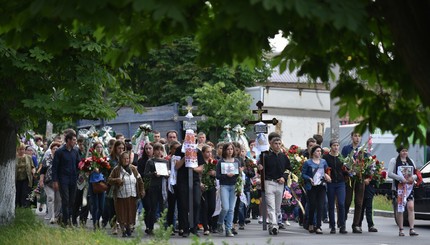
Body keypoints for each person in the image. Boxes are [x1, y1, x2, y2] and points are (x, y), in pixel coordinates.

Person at [257, 137, 291, 235]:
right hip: (269, 182)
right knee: (270, 206)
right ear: (271, 144)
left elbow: (288, 169)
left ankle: (272, 225)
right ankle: (274, 225)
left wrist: (284, 177)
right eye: (275, 143)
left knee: (277, 207)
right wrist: (260, 168)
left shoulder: (284, 157)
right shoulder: (265, 156)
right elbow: (261, 169)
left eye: (279, 143)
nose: (277, 145)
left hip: (280, 183)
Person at [108, 151, 145, 237]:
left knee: (131, 212)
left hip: (132, 194)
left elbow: (140, 180)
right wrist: (117, 180)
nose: (126, 160)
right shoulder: (116, 169)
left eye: (127, 158)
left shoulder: (133, 168)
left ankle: (129, 228)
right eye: (124, 158)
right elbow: (109, 179)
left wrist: (142, 190)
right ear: (120, 160)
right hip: (121, 195)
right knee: (121, 213)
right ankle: (123, 229)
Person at [174, 138, 204, 237]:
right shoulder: (179, 150)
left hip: (194, 180)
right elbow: (176, 166)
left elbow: (201, 168)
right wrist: (185, 157)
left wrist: (194, 168)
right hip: (182, 180)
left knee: (196, 202)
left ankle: (194, 227)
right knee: (183, 204)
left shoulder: (197, 151)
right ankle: (185, 228)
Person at [388, 146, 419, 237]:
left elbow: (416, 173)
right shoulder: (394, 161)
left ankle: (412, 229)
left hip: (409, 188)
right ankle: (401, 229)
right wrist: (400, 178)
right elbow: (390, 173)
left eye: (406, 151)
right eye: (403, 151)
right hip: (399, 188)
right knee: (400, 208)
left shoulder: (411, 161)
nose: (405, 152)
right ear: (399, 152)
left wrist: (413, 178)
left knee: (411, 207)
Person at [52, 131, 80, 227]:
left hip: (73, 179)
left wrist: (86, 167)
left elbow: (79, 164)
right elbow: (54, 167)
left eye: (75, 140)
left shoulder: (75, 151)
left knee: (72, 201)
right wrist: (55, 181)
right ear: (68, 140)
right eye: (73, 140)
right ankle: (66, 221)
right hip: (63, 179)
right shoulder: (59, 152)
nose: (75, 142)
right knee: (65, 200)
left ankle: (69, 219)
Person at [302, 145, 331, 234]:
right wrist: (309, 178)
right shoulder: (308, 163)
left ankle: (318, 226)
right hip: (312, 186)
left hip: (321, 186)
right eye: (317, 151)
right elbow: (303, 174)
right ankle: (311, 223)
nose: (319, 153)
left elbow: (327, 170)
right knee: (312, 205)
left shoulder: (323, 162)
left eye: (320, 151)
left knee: (320, 206)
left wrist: (327, 175)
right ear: (313, 152)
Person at [341, 132, 366, 233]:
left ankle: (356, 225)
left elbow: (367, 164)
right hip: (349, 178)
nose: (357, 138)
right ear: (351, 137)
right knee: (347, 201)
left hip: (360, 178)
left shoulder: (363, 150)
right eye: (355, 136)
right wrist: (346, 170)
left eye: (359, 136)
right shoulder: (346, 149)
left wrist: (367, 176)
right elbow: (342, 162)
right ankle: (343, 223)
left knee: (359, 202)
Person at [144, 143, 170, 235]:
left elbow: (167, 174)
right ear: (154, 151)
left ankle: (164, 227)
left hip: (163, 187)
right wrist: (153, 174)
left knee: (163, 208)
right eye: (157, 150)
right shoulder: (150, 161)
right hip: (153, 187)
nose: (159, 152)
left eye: (161, 150)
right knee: (153, 208)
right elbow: (145, 174)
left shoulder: (165, 162)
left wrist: (167, 175)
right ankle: (150, 227)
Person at [322, 139, 348, 234]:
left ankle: (342, 225)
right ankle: (332, 226)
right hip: (331, 183)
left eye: (337, 145)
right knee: (331, 204)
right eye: (334, 145)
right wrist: (326, 175)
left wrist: (348, 170)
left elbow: (345, 170)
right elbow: (322, 169)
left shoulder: (341, 157)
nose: (336, 147)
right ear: (330, 147)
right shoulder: (326, 158)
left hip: (341, 183)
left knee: (341, 203)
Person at [216, 142, 240, 237]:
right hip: (224, 186)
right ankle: (220, 221)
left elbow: (238, 174)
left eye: (231, 149)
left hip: (233, 186)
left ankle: (228, 229)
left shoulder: (236, 161)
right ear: (224, 151)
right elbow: (217, 176)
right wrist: (226, 175)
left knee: (231, 209)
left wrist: (237, 173)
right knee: (225, 208)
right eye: (228, 149)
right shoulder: (221, 162)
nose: (230, 151)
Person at [103, 140, 126, 234]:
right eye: (119, 148)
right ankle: (113, 226)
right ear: (115, 148)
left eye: (122, 148)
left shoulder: (125, 158)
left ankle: (121, 224)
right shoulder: (110, 159)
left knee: (121, 207)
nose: (121, 150)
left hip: (123, 186)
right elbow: (105, 173)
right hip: (112, 186)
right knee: (112, 207)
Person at [39, 142, 62, 224]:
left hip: (58, 183)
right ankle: (52, 216)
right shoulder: (47, 159)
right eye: (54, 149)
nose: (55, 150)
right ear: (51, 150)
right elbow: (42, 171)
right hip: (48, 182)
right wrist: (41, 180)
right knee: (51, 198)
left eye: (57, 149)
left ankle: (56, 216)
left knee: (58, 200)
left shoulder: (61, 159)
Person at [88, 141, 107, 230]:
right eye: (97, 147)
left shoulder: (104, 159)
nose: (99, 149)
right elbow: (86, 172)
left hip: (102, 183)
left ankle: (98, 220)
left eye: (101, 147)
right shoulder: (90, 159)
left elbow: (106, 170)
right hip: (93, 183)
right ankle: (95, 223)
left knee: (102, 206)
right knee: (95, 205)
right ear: (94, 149)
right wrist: (92, 170)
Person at [200, 145, 218, 235]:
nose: (209, 153)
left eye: (210, 152)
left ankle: (208, 221)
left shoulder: (213, 162)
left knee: (212, 207)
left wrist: (215, 173)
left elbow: (218, 173)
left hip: (211, 186)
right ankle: (205, 227)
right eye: (207, 152)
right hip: (203, 186)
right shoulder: (200, 162)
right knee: (204, 207)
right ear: (203, 152)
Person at [137, 142, 154, 233]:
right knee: (147, 207)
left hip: (155, 187)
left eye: (150, 148)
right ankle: (148, 226)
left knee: (153, 207)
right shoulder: (141, 161)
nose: (148, 150)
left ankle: (151, 226)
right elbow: (140, 174)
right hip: (145, 186)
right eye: (146, 149)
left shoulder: (156, 160)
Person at [15, 143, 35, 208]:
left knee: (25, 193)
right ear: (17, 150)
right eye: (20, 149)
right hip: (17, 178)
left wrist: (33, 171)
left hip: (26, 178)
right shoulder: (14, 157)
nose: (22, 151)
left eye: (23, 149)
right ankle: (18, 206)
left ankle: (25, 207)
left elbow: (32, 166)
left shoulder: (28, 157)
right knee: (18, 193)